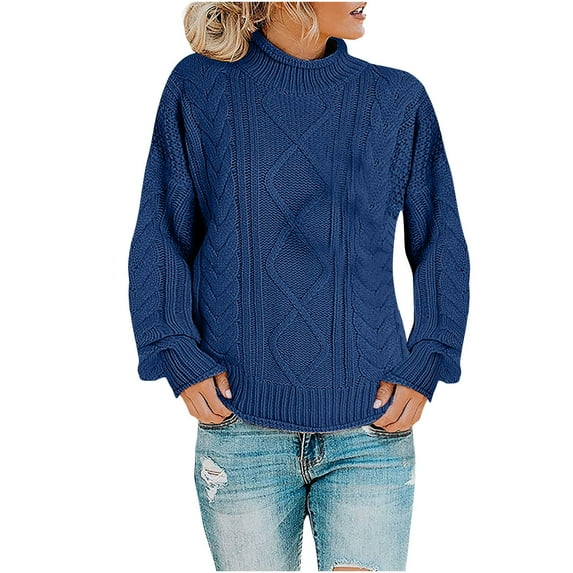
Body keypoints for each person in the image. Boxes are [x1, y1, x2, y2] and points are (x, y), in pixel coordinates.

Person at [127, 2, 470, 570]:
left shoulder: (396, 98)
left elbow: (440, 240)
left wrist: (430, 354)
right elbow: (162, 232)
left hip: (371, 428)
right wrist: (174, 348)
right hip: (239, 427)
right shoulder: (200, 86)